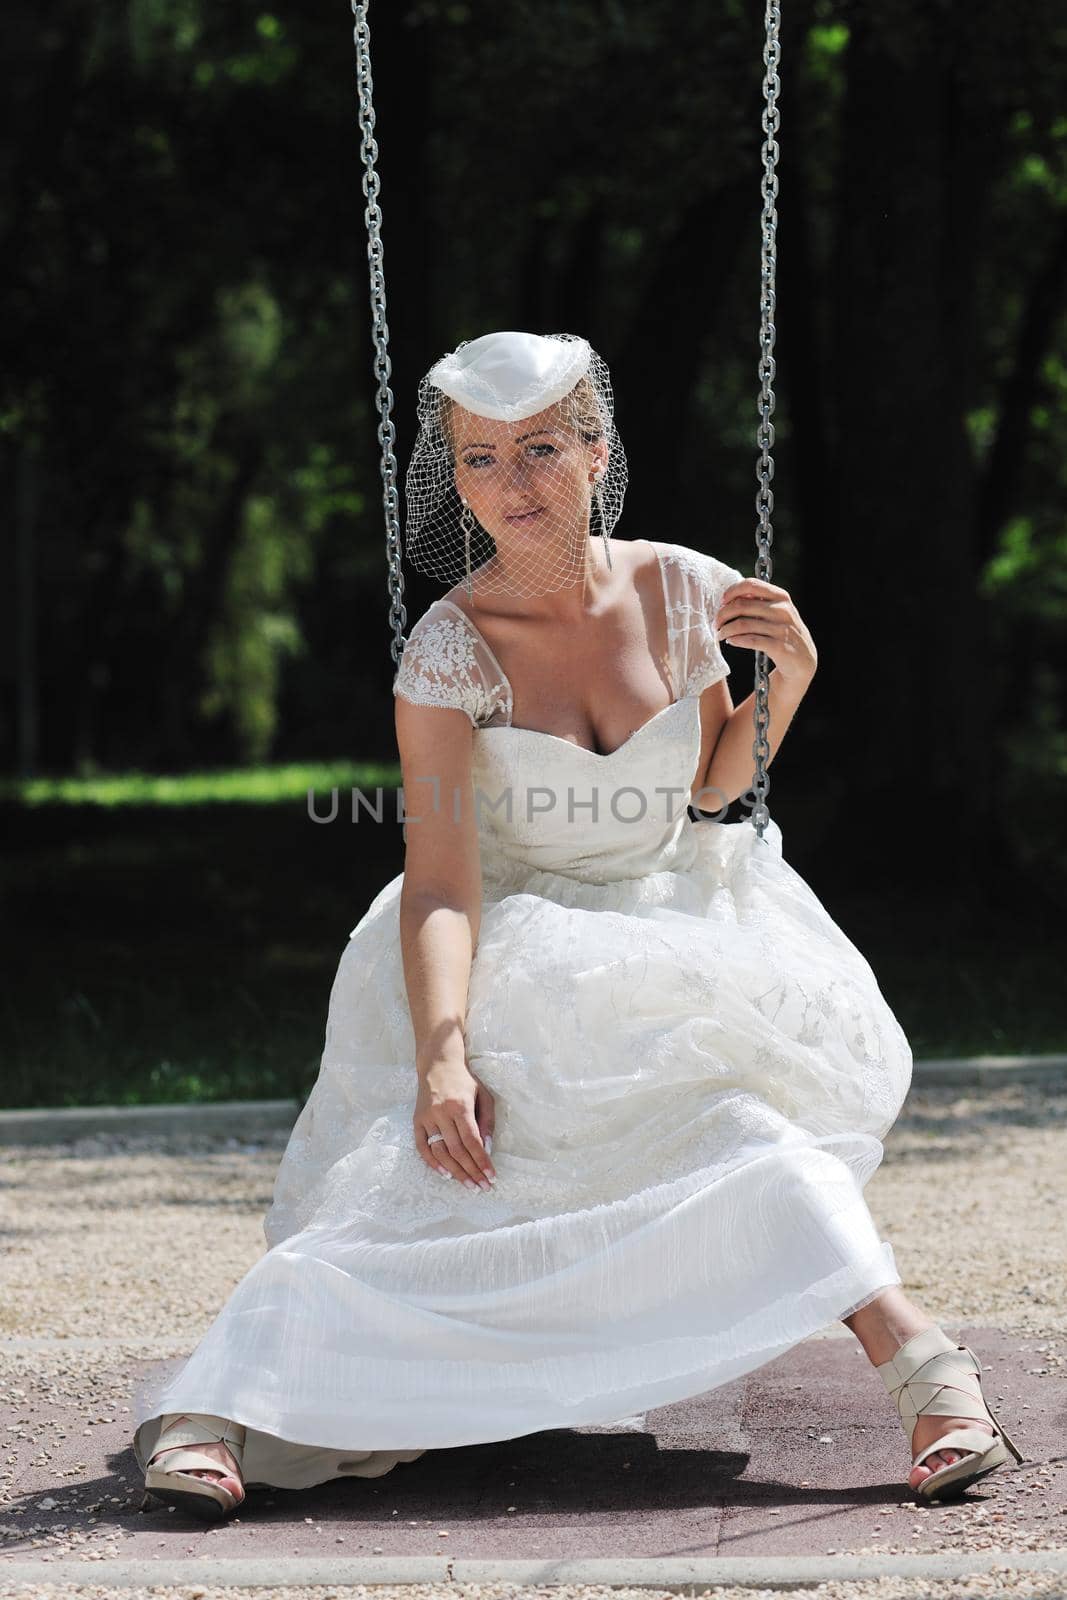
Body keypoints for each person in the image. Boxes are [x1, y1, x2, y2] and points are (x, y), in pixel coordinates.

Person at [132, 331, 1023, 1523]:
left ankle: (926, 1375)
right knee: (420, 1191)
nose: (514, 485)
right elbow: (443, 880)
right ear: (454, 479)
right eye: (482, 459)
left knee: (747, 1135)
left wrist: (788, 684)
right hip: (510, 952)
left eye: (541, 449)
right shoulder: (447, 650)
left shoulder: (683, 589)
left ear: (597, 452)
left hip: (674, 924)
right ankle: (222, 1405)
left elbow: (706, 789)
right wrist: (442, 1053)